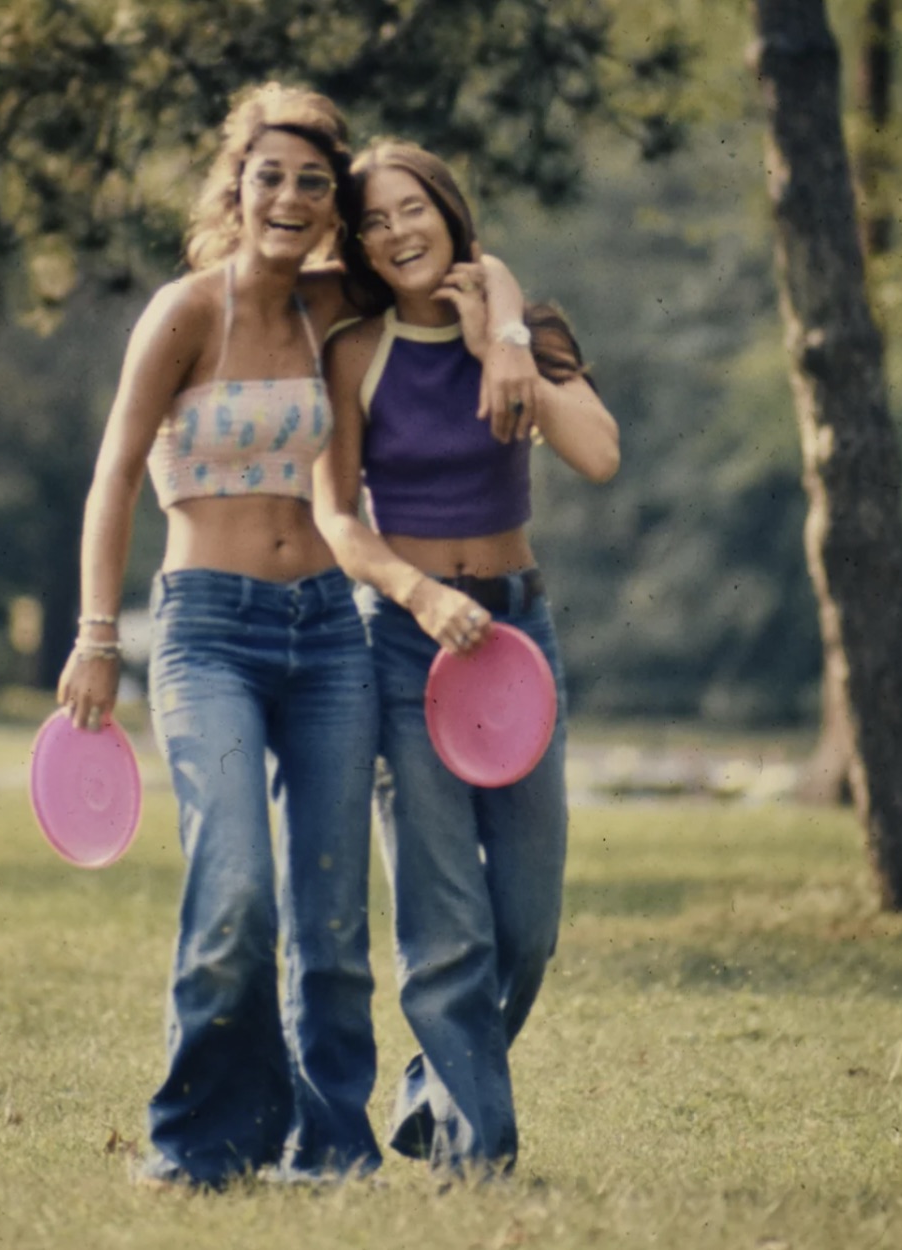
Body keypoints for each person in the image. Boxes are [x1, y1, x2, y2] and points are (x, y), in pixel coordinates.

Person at [56, 88, 542, 1188]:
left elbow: (469, 264)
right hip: (207, 632)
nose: (289, 196)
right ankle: (197, 1143)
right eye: (269, 176)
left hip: (327, 634)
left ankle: (330, 1145)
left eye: (313, 182)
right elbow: (114, 475)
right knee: (235, 889)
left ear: (332, 206)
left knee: (331, 918)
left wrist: (509, 330)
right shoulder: (186, 311)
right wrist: (96, 633)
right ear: (236, 189)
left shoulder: (334, 304)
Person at [314, 140, 620, 1177]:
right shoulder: (357, 352)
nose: (397, 232)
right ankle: (476, 1160)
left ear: (449, 212)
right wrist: (419, 593)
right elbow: (338, 519)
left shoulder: (528, 332)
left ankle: (435, 1082)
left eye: (413, 209)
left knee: (525, 925)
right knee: (446, 926)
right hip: (408, 645)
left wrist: (507, 344)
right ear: (360, 246)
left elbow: (599, 454)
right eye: (374, 221)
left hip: (518, 639)